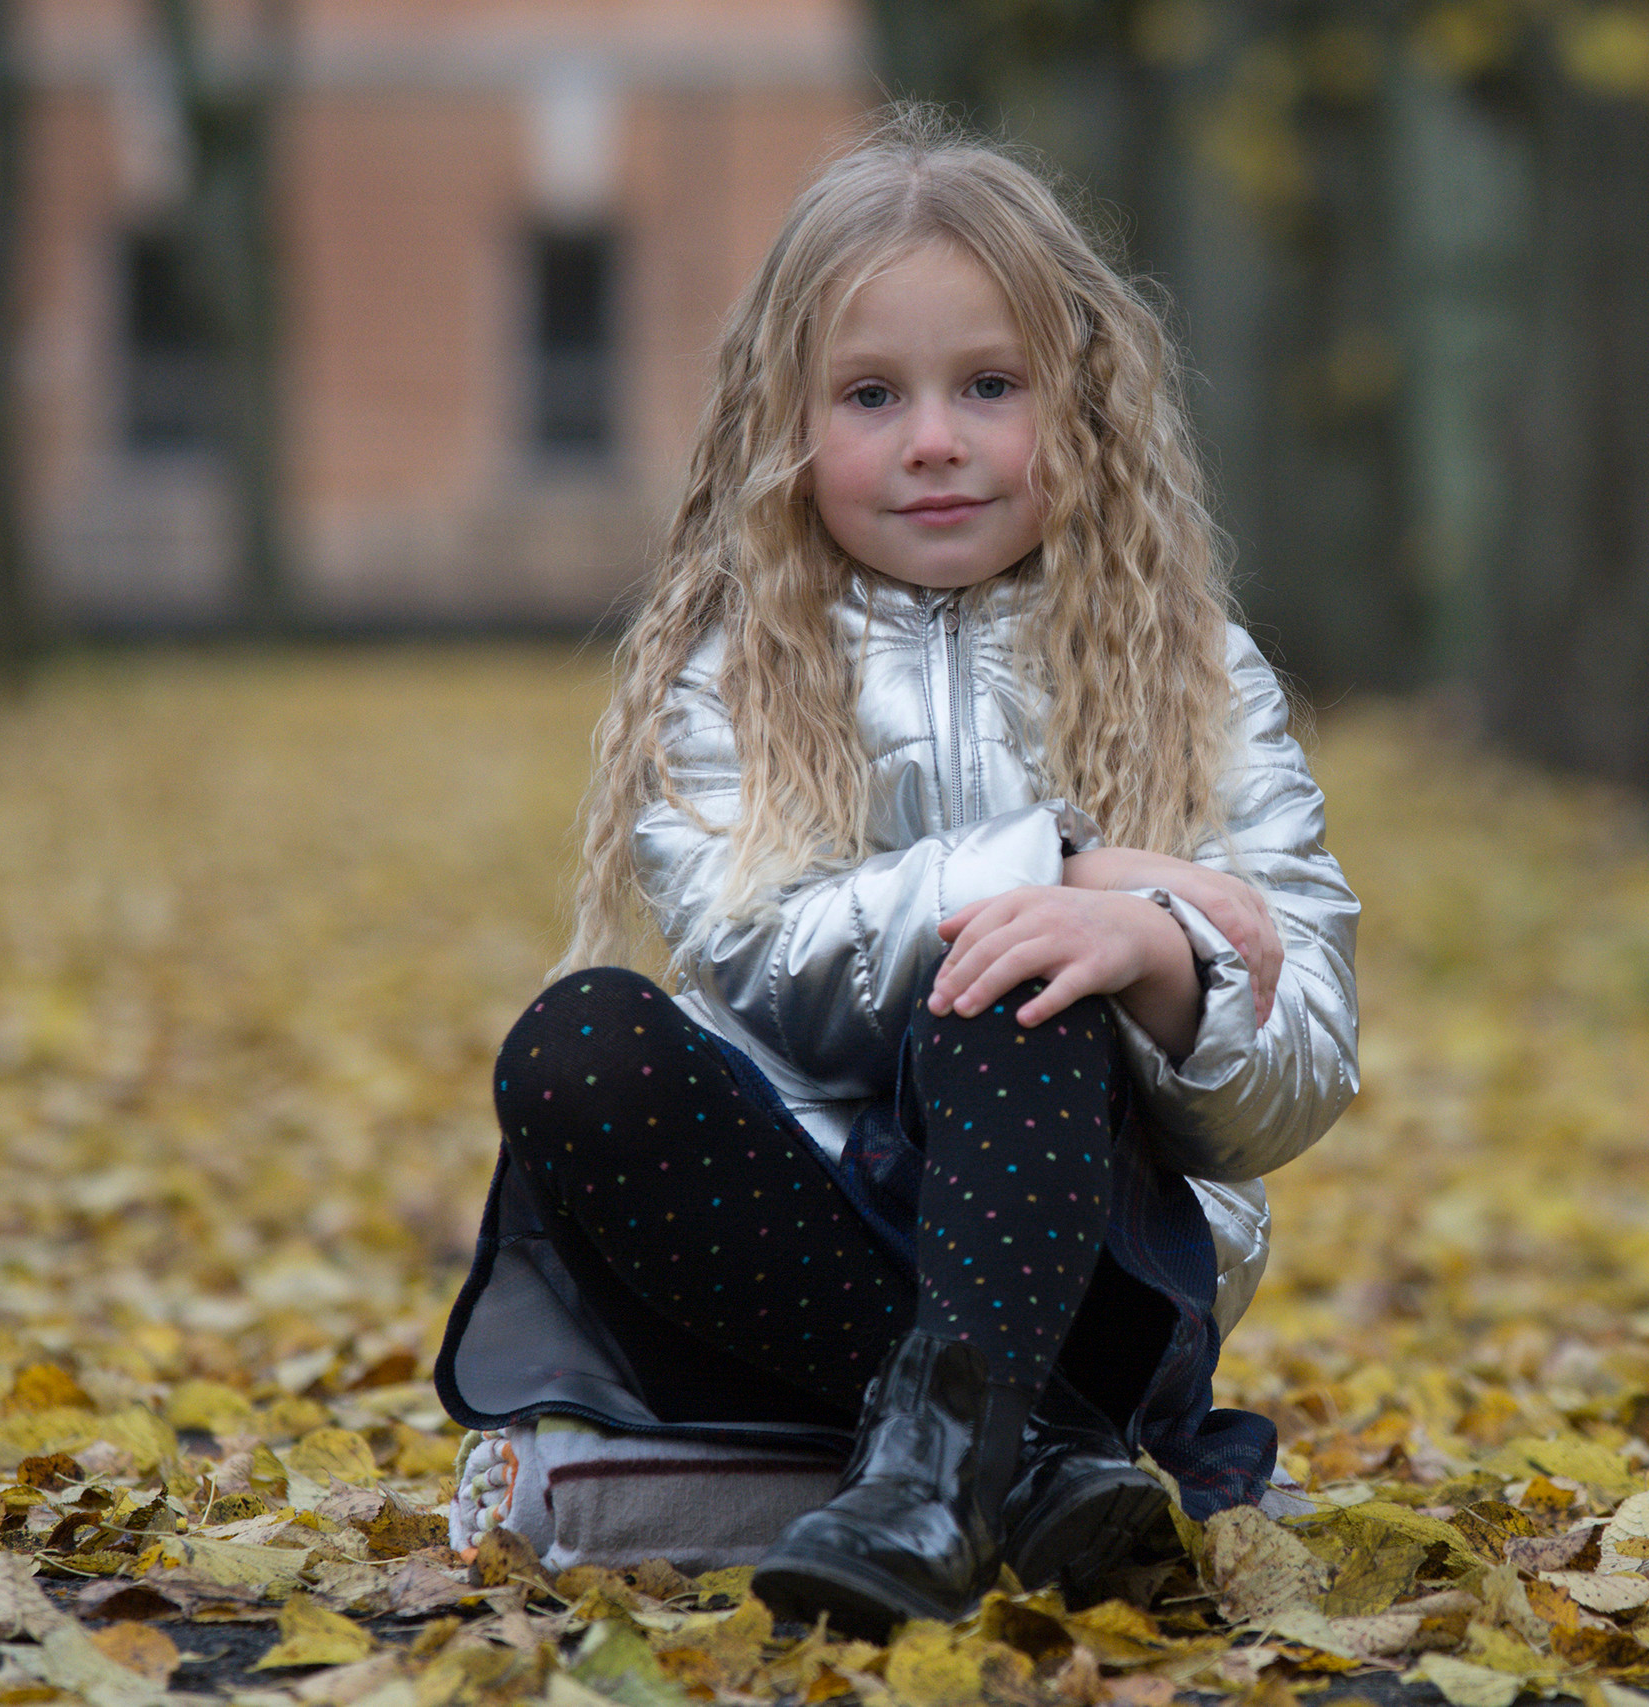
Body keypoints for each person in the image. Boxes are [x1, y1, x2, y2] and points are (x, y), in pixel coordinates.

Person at [432, 110, 1358, 1638]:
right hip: (787, 1264)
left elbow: (1307, 1056)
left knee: (1026, 969)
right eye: (872, 395)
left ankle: (974, 1448)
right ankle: (1025, 1456)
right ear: (784, 424)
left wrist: (1152, 946)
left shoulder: (1196, 672)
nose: (935, 438)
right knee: (578, 1042)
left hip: (1094, 1270)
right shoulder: (726, 678)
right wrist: (1055, 854)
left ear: (1087, 408)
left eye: (990, 387)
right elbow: (765, 963)